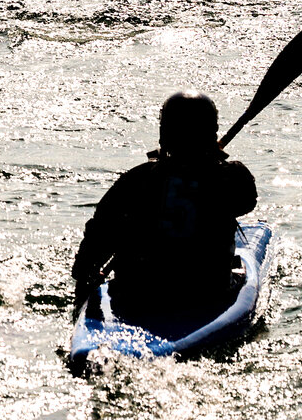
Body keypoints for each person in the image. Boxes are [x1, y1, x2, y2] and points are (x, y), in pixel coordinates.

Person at [70, 91, 258, 319]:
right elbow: (247, 201)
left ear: (163, 135)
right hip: (206, 291)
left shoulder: (137, 179)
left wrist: (85, 281)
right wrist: (218, 162)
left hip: (140, 293)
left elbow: (99, 233)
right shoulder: (229, 178)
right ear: (211, 133)